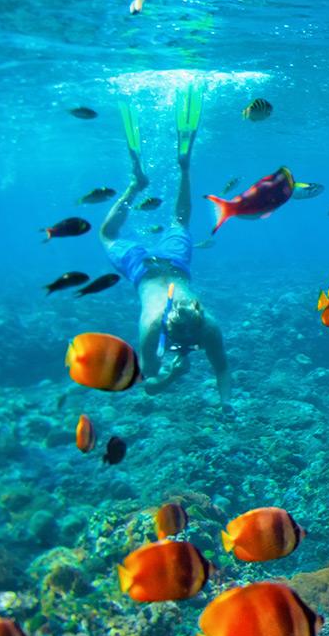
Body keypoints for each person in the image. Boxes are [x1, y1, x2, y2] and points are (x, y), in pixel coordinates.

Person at [99, 87, 232, 401]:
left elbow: (150, 381)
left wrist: (226, 405)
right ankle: (178, 169)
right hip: (146, 268)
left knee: (167, 225)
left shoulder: (198, 327)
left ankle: (142, 183)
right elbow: (153, 386)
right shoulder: (159, 326)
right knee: (169, 224)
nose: (185, 347)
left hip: (167, 265)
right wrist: (172, 375)